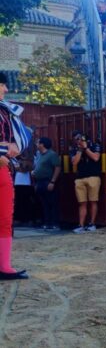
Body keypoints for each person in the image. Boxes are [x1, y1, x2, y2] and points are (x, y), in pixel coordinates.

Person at [0, 72, 32, 279]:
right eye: (2, 85)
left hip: (3, 169)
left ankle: (4, 266)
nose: (5, 90)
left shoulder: (6, 111)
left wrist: (10, 149)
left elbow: (17, 142)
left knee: (4, 218)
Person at [70, 133, 102, 234]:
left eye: (79, 139)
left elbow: (96, 158)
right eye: (76, 140)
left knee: (93, 201)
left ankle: (92, 223)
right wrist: (80, 150)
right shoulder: (74, 149)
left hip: (93, 176)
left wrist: (86, 148)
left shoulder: (95, 146)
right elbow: (74, 162)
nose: (78, 141)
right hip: (80, 178)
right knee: (82, 202)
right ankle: (81, 225)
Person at [32, 137, 61, 231]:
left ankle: (55, 223)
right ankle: (46, 222)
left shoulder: (52, 155)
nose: (37, 144)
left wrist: (52, 181)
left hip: (48, 181)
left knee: (52, 203)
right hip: (39, 182)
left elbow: (57, 168)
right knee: (44, 203)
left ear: (42, 144)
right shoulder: (40, 155)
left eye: (38, 143)